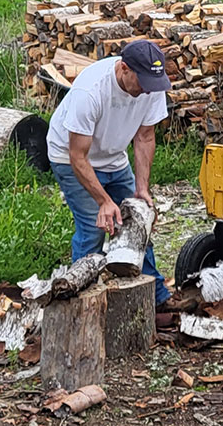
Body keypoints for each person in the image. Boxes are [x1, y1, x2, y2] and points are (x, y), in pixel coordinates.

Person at [46, 41, 174, 303]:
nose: (148, 90)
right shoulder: (90, 90)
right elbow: (77, 156)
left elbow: (145, 137)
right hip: (70, 156)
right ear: (124, 68)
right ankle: (78, 303)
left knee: (138, 220)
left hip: (113, 157)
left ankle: (154, 299)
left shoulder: (152, 85)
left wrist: (142, 189)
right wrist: (104, 201)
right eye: (143, 82)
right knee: (93, 227)